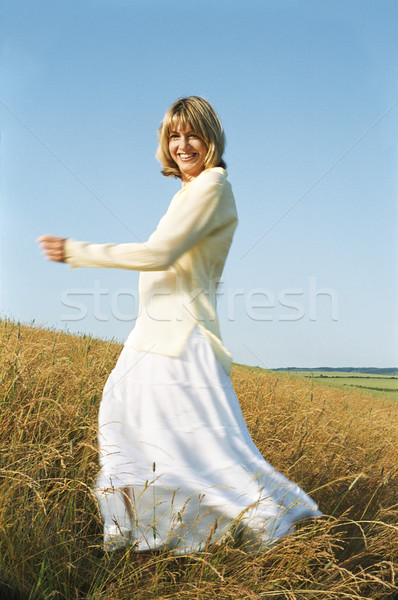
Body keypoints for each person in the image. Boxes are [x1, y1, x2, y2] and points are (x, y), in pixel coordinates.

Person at [38, 96, 321, 554]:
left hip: (181, 340)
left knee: (205, 454)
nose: (183, 144)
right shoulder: (188, 192)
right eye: (174, 135)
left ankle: (281, 530)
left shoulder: (212, 186)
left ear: (212, 139)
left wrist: (77, 251)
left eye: (192, 134)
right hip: (152, 335)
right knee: (124, 432)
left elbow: (159, 255)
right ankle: (136, 538)